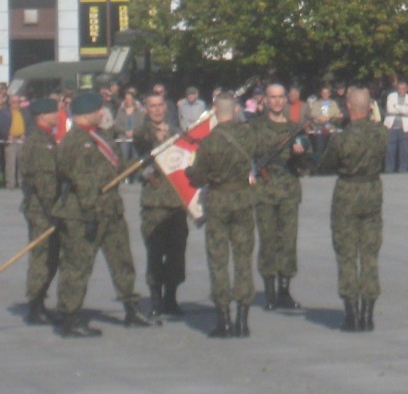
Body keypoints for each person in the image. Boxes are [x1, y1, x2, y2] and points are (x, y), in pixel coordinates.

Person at [53, 90, 153, 337]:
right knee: (77, 265)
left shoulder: (101, 137)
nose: (102, 113)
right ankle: (70, 317)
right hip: (83, 214)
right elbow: (79, 180)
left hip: (111, 210)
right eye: (99, 109)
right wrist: (90, 211)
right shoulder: (73, 141)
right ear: (87, 112)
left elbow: (116, 166)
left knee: (122, 260)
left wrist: (145, 166)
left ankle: (131, 308)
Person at [186, 92, 257, 338]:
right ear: (236, 109)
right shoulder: (248, 135)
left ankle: (224, 319)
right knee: (243, 259)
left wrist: (189, 172)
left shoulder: (209, 142)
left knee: (218, 260)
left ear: (215, 111)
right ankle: (244, 319)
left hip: (217, 201)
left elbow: (198, 177)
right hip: (243, 199)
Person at [317, 87, 387, 331]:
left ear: (348, 106)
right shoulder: (381, 134)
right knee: (369, 255)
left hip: (347, 193)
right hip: (371, 192)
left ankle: (351, 314)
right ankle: (368, 314)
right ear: (369, 107)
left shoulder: (341, 139)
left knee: (347, 254)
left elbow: (326, 165)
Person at [251, 83, 308, 311]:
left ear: (286, 99)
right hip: (264, 192)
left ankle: (284, 290)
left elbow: (306, 163)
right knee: (267, 241)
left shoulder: (295, 128)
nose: (276, 101)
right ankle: (270, 293)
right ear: (265, 100)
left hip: (288, 191)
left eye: (280, 97)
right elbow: (247, 155)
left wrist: (301, 154)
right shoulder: (255, 127)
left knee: (288, 240)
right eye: (272, 97)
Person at [133, 92, 189, 321]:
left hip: (176, 202)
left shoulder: (176, 133)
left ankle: (171, 298)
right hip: (154, 202)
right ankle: (155, 299)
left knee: (176, 253)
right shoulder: (142, 132)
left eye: (159, 106)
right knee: (155, 253)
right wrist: (157, 137)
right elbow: (140, 150)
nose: (156, 110)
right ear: (146, 109)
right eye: (152, 106)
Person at [19, 98, 61, 325]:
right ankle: (35, 305)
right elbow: (44, 182)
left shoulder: (46, 139)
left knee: (50, 257)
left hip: (44, 208)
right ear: (42, 116)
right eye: (53, 112)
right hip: (42, 210)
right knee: (42, 257)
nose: (57, 114)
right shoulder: (38, 142)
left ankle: (39, 302)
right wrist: (55, 210)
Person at [0, 94, 31, 189]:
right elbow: (2, 126)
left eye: (18, 102)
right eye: (14, 102)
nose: (16, 104)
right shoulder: (4, 113)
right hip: (10, 142)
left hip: (22, 141)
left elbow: (29, 125)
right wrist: (7, 135)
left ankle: (21, 183)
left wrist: (25, 134)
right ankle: (10, 184)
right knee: (10, 164)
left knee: (21, 163)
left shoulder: (25, 112)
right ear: (9, 103)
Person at [383, 81, 408, 173]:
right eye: (400, 89)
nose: (401, 90)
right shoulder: (391, 96)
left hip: (404, 127)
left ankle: (403, 169)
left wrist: (396, 107)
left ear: (407, 89)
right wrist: (403, 109)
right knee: (390, 150)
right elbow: (390, 109)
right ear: (397, 89)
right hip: (391, 127)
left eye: (404, 89)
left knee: (404, 150)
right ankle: (389, 169)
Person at [308, 85, 342, 157]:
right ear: (321, 94)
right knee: (320, 146)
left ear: (329, 94)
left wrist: (329, 117)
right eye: (323, 93)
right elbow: (312, 115)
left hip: (331, 127)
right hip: (319, 127)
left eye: (327, 93)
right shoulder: (316, 103)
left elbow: (338, 115)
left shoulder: (333, 103)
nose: (325, 94)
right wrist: (319, 117)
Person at [113, 89, 144, 164]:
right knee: (124, 159)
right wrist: (125, 132)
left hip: (135, 138)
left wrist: (133, 132)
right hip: (124, 139)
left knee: (136, 160)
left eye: (130, 99)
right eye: (126, 99)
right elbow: (116, 126)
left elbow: (142, 125)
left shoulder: (138, 111)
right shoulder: (121, 111)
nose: (128, 100)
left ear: (133, 100)